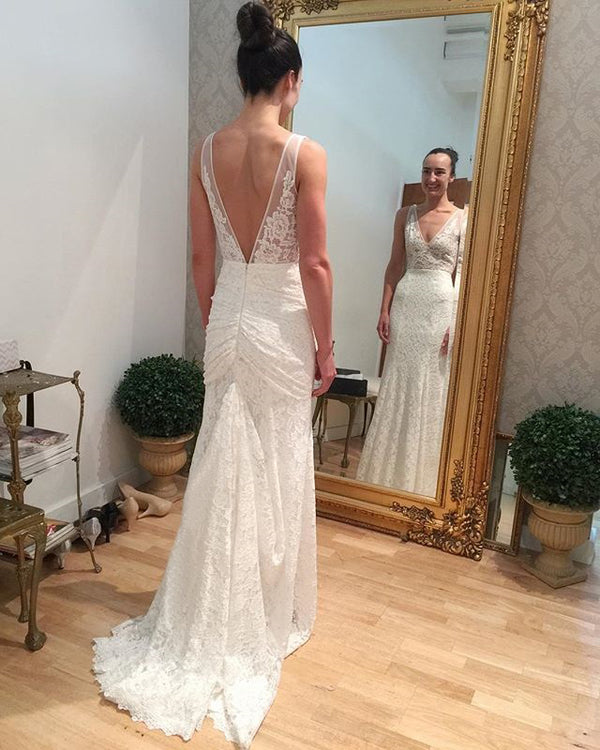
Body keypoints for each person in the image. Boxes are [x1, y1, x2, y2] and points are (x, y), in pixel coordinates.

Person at [92, 3, 335, 746]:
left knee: (226, 459)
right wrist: (327, 347)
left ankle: (213, 606)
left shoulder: (206, 151)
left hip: (229, 316)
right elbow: (315, 263)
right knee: (276, 456)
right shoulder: (306, 153)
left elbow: (203, 259)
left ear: (243, 78)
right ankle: (262, 605)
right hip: (283, 321)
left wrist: (216, 317)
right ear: (290, 81)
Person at [356, 147, 467, 496]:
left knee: (431, 383)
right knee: (399, 381)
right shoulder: (404, 215)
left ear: (451, 177)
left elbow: (463, 274)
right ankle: (386, 476)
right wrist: (384, 308)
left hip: (440, 307)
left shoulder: (464, 219)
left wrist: (456, 320)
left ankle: (424, 481)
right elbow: (394, 265)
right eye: (426, 171)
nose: (431, 178)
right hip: (406, 303)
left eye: (439, 172)